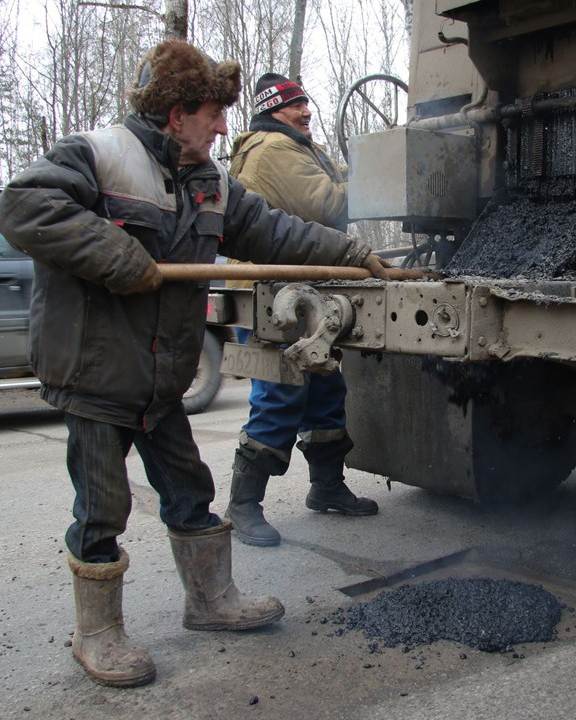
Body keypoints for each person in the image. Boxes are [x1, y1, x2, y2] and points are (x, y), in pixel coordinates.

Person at [0, 39, 389, 689]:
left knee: (189, 490)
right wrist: (115, 255)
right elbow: (23, 206)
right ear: (177, 113)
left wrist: (352, 252)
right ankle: (97, 632)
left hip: (159, 376)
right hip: (97, 374)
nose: (222, 126)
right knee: (102, 506)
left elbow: (274, 232)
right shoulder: (98, 157)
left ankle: (209, 601)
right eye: (212, 113)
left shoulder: (207, 184)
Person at [221, 73, 378, 549]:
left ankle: (326, 487)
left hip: (303, 291)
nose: (306, 111)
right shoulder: (271, 149)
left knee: (326, 388)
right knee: (281, 392)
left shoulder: (296, 146)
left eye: (306, 102)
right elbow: (325, 204)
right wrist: (381, 175)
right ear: (272, 111)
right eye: (295, 106)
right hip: (274, 298)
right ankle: (243, 505)